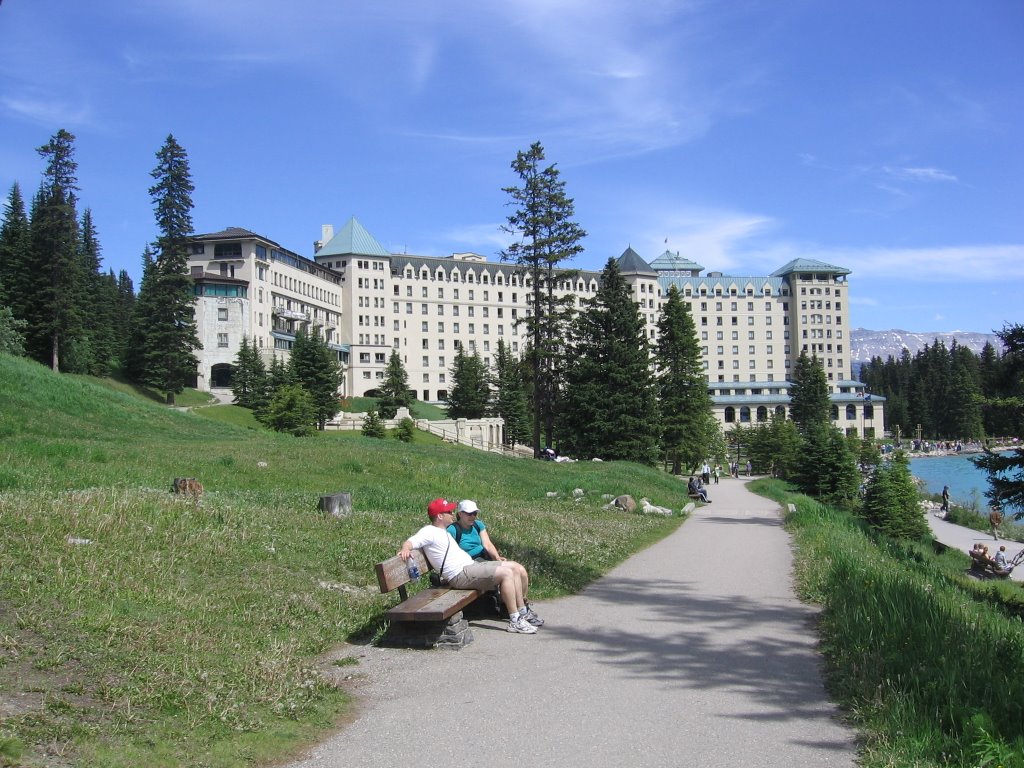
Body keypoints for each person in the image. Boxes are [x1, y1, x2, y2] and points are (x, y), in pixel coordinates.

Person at [398, 498, 543, 634]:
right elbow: (411, 541)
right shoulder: (429, 531)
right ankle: (515, 620)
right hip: (460, 574)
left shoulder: (442, 531)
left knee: (514, 567)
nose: (452, 514)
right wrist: (406, 548)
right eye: (448, 512)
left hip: (469, 566)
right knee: (506, 574)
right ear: (439, 516)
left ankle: (522, 612)